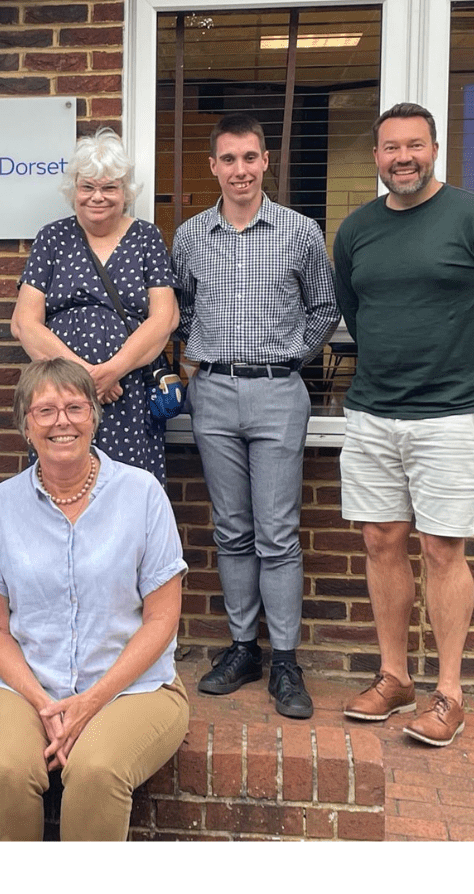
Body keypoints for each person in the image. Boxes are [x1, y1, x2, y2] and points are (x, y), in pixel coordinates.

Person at [0, 358, 189, 841]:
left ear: (94, 414)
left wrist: (90, 701)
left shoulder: (142, 493)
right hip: (25, 687)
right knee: (6, 770)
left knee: (95, 771)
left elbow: (162, 619)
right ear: (24, 424)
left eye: (74, 407)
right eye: (44, 411)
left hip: (134, 689)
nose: (61, 421)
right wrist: (42, 703)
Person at [172, 112, 339, 720]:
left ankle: (287, 660)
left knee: (278, 532)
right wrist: (201, 355)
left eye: (250, 158)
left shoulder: (298, 231)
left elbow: (324, 306)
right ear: (213, 166)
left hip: (277, 392)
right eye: (228, 160)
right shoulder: (190, 236)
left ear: (266, 161)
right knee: (231, 529)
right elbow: (180, 309)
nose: (240, 170)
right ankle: (243, 648)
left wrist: (289, 355)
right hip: (213, 392)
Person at [335, 102, 474, 747]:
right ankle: (396, 678)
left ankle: (449, 692)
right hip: (372, 413)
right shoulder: (357, 229)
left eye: (414, 146)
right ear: (376, 157)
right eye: (391, 148)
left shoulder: (466, 216)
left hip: (449, 415)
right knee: (380, 541)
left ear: (436, 149)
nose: (403, 158)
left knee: (443, 549)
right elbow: (354, 312)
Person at [10, 128, 179, 485]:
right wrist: (84, 380)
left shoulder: (147, 238)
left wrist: (113, 371)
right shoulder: (52, 238)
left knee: (129, 490)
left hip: (128, 392)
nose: (97, 197)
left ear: (125, 192)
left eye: (109, 187)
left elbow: (165, 318)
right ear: (74, 191)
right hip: (61, 396)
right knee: (62, 484)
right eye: (88, 187)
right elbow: (24, 323)